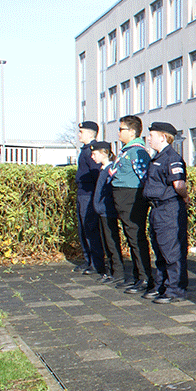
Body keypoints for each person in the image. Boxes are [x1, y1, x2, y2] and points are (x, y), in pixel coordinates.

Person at [142, 122, 189, 304]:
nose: (149, 138)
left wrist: (185, 197)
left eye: (152, 135)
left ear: (163, 137)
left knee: (171, 251)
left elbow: (179, 184)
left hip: (168, 208)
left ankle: (176, 289)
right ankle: (162, 286)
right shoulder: (157, 157)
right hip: (157, 209)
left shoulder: (172, 157)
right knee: (160, 250)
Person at [112, 116, 153, 294]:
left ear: (132, 132)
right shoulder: (126, 151)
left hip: (132, 198)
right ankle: (138, 276)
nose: (119, 132)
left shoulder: (137, 151)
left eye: (121, 129)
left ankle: (145, 278)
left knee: (136, 238)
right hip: (124, 198)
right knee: (131, 238)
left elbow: (145, 177)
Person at [90, 142, 125, 285]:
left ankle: (117, 273)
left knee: (111, 242)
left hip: (107, 211)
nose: (92, 157)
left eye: (95, 153)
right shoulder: (103, 169)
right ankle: (111, 271)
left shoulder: (110, 169)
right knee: (106, 242)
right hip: (102, 211)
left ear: (104, 153)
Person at [74, 121, 104, 276]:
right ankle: (88, 260)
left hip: (88, 194)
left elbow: (96, 173)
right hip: (82, 193)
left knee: (90, 229)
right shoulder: (85, 150)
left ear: (90, 133)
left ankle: (96, 262)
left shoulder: (91, 151)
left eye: (81, 132)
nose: (79, 135)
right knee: (83, 228)